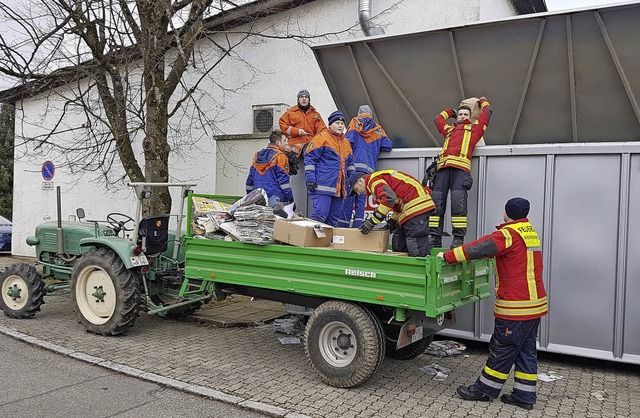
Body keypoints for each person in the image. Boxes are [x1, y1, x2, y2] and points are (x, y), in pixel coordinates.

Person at [439, 197, 547, 410]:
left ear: (507, 213)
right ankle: (524, 397)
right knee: (525, 351)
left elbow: (479, 248)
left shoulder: (508, 233)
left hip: (516, 307)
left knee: (503, 349)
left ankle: (484, 390)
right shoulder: (529, 232)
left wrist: (448, 256)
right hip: (535, 306)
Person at [429, 97, 491, 249]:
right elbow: (438, 119)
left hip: (460, 171)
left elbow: (486, 114)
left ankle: (458, 239)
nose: (462, 117)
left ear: (471, 118)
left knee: (458, 205)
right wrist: (450, 111)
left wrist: (483, 101)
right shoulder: (449, 131)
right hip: (442, 170)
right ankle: (434, 237)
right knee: (436, 205)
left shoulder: (475, 130)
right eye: (460, 115)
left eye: (465, 115)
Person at [348, 170, 435, 257]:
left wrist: (372, 221)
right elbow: (396, 206)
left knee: (416, 246)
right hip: (411, 209)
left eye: (356, 190)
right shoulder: (376, 181)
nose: (359, 193)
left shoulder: (373, 181)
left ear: (360, 181)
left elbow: (389, 198)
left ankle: (423, 268)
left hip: (416, 207)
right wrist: (391, 223)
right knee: (398, 243)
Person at [343, 105, 393, 227]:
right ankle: (358, 230)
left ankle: (343, 230)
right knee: (361, 201)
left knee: (348, 200)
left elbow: (348, 140)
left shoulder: (355, 122)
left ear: (359, 113)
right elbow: (388, 145)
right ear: (370, 114)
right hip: (369, 170)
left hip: (353, 168)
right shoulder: (378, 129)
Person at [304, 111, 354, 226]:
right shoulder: (321, 138)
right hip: (322, 186)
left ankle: (326, 243)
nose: (340, 125)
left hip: (339, 190)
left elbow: (350, 164)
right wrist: (310, 178)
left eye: (342, 123)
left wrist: (352, 179)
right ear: (330, 125)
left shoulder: (346, 143)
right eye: (337, 123)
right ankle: (310, 242)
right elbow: (310, 158)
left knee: (332, 220)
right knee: (319, 216)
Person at [245, 130, 293, 216]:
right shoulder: (280, 157)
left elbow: (249, 181)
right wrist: (290, 199)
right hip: (278, 201)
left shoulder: (257, 156)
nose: (287, 143)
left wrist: (250, 197)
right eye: (285, 140)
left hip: (260, 200)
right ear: (278, 142)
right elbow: (284, 183)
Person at [278, 89, 327, 156]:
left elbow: (322, 131)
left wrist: (317, 141)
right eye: (301, 97)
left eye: (306, 97)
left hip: (310, 146)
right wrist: (296, 131)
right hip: (293, 147)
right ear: (298, 100)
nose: (304, 99)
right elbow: (282, 125)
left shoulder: (315, 115)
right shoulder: (290, 113)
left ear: (309, 100)